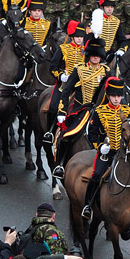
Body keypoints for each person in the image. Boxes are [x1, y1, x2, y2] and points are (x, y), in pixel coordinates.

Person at [81, 77, 130, 222]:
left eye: (119, 96)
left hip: (126, 154)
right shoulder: (100, 112)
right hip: (107, 154)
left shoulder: (128, 111)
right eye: (113, 96)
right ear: (108, 96)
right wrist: (101, 147)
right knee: (96, 176)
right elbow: (92, 133)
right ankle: (88, 206)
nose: (116, 99)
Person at [52, 42, 110, 179]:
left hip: (100, 111)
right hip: (81, 110)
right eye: (93, 55)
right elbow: (66, 91)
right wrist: (62, 111)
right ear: (89, 56)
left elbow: (113, 91)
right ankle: (59, 165)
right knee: (67, 135)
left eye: (98, 56)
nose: (96, 58)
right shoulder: (79, 69)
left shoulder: (106, 71)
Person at [44, 22, 87, 143]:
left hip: (81, 87)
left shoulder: (85, 51)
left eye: (81, 37)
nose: (79, 39)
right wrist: (61, 75)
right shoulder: (63, 49)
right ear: (72, 37)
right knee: (53, 107)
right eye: (77, 37)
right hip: (64, 85)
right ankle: (50, 132)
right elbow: (53, 67)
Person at [90, 0, 128, 64]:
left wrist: (121, 49)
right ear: (103, 7)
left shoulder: (116, 21)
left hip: (109, 55)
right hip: (95, 54)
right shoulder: (97, 19)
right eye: (107, 7)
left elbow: (122, 40)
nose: (110, 9)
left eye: (112, 7)